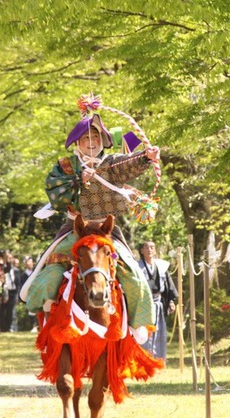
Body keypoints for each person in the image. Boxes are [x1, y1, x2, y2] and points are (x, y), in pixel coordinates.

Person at [22, 95, 160, 339]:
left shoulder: (111, 163)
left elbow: (129, 164)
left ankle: (137, 324)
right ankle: (48, 315)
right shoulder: (66, 167)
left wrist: (147, 157)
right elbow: (56, 193)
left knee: (132, 274)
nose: (91, 142)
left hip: (108, 231)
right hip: (74, 229)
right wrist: (77, 180)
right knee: (49, 272)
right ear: (78, 142)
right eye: (86, 138)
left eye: (95, 137)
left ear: (103, 140)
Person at [138, 241, 178, 361]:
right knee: (144, 332)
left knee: (159, 331)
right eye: (146, 247)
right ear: (141, 251)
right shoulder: (137, 266)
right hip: (143, 304)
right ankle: (143, 360)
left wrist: (171, 301)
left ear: (155, 251)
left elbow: (169, 285)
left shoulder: (161, 266)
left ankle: (158, 359)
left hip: (158, 303)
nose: (149, 250)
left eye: (152, 247)